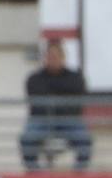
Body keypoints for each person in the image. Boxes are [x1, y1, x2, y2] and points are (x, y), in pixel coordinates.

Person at [18, 38, 92, 171]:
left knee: (85, 140)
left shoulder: (75, 77)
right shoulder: (34, 79)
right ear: (44, 58)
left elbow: (77, 98)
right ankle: (35, 174)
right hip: (42, 121)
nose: (53, 59)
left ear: (63, 58)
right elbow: (36, 101)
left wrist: (52, 99)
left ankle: (79, 175)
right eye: (50, 56)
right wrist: (63, 98)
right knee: (27, 139)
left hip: (69, 121)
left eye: (56, 56)